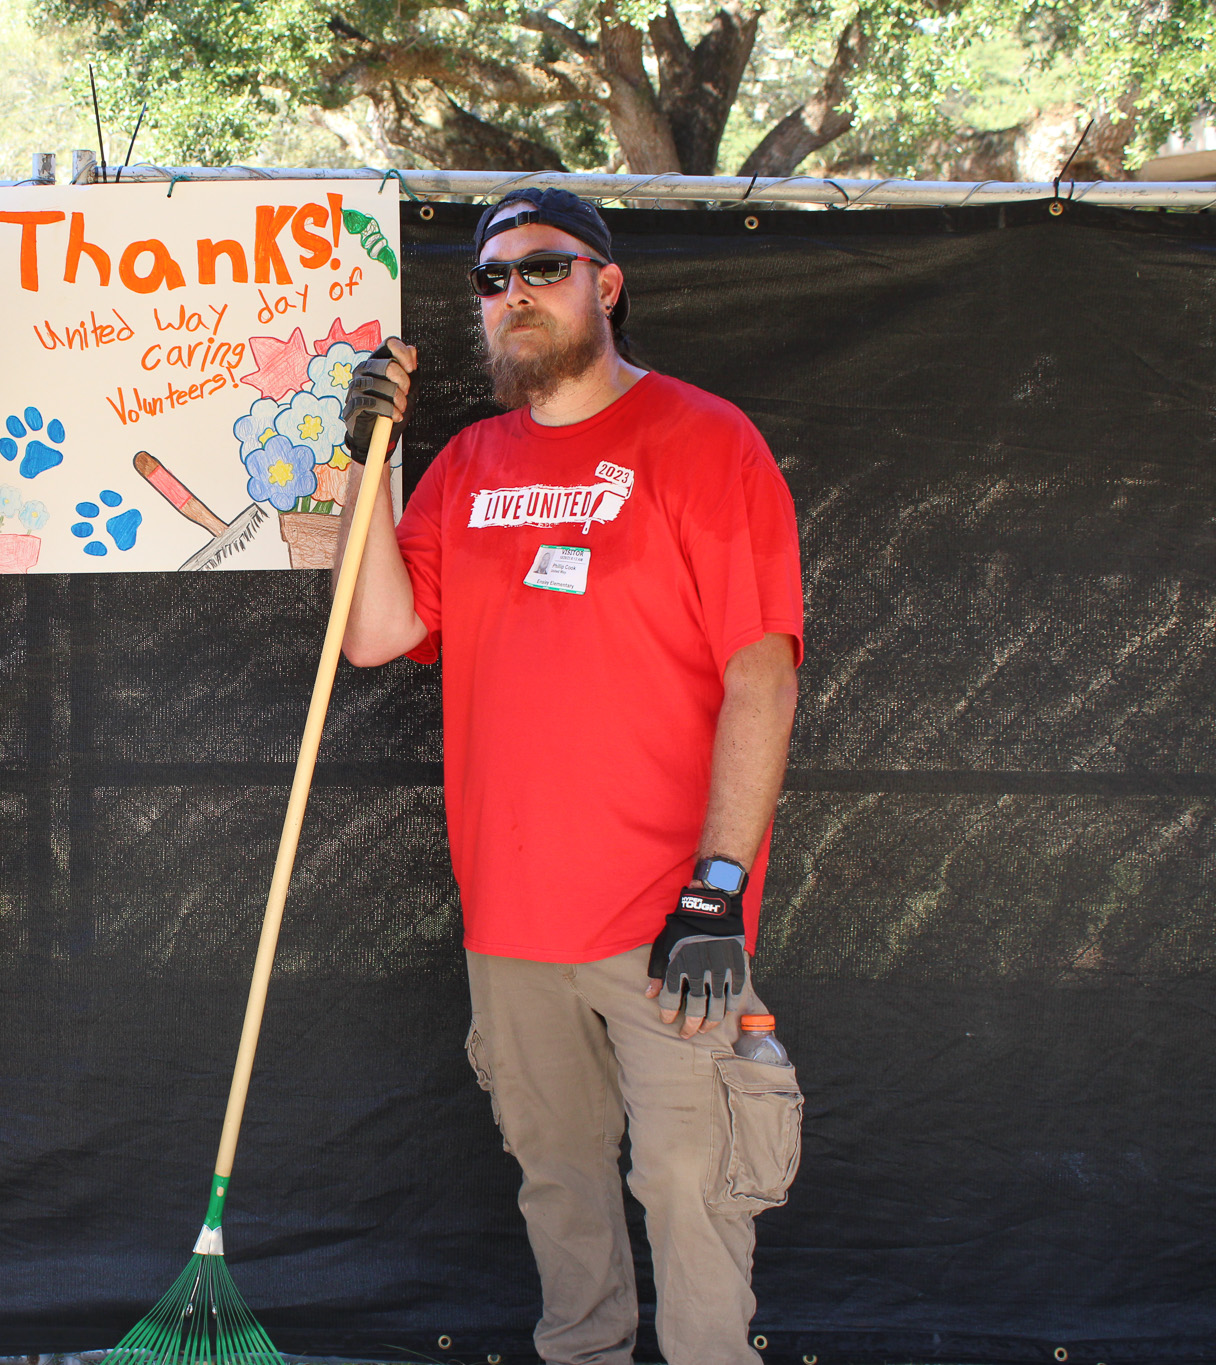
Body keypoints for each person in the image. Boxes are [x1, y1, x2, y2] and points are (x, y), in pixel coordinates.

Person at [335, 188, 805, 1365]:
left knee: (691, 1193)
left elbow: (761, 679)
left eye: (540, 268)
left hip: (665, 919)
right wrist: (367, 463)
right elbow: (372, 633)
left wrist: (716, 886)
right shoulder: (466, 463)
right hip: (511, 922)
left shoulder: (704, 441)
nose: (511, 296)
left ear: (606, 284)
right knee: (558, 1190)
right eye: (490, 280)